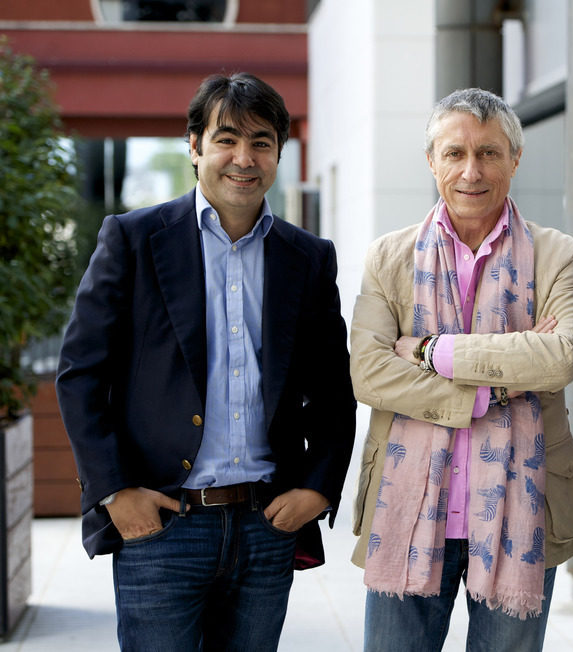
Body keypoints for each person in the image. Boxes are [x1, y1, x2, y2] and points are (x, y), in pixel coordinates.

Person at [56, 72, 356, 651]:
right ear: (194, 147)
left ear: (278, 154)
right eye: (226, 139)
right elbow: (80, 374)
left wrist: (319, 488)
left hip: (267, 525)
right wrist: (115, 492)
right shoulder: (133, 239)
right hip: (163, 525)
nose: (243, 158)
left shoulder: (308, 258)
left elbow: (332, 389)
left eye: (261, 142)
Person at [349, 88, 573, 652]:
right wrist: (481, 396)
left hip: (523, 510)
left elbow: (559, 359)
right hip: (406, 510)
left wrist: (434, 352)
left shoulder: (557, 254)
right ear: (431, 161)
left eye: (488, 153)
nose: (471, 171)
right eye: (454, 153)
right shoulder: (389, 256)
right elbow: (368, 373)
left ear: (515, 158)